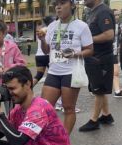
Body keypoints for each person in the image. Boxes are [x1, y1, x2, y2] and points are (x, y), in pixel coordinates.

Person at [40, 0, 93, 134]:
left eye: (62, 3)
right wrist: (41, 40)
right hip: (53, 71)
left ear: (72, 6)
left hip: (71, 72)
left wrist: (75, 54)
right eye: (56, 4)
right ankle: (48, 137)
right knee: (44, 108)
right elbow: (46, 50)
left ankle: (63, 142)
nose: (58, 6)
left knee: (68, 108)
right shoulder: (52, 26)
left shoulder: (81, 26)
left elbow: (90, 50)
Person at [79, 0, 115, 132]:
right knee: (99, 88)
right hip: (94, 57)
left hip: (101, 58)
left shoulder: (103, 11)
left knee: (99, 90)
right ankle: (106, 115)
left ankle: (94, 121)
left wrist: (87, 40)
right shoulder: (93, 12)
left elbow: (109, 35)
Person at [112, 9, 122, 98]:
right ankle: (94, 88)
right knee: (102, 72)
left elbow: (119, 38)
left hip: (114, 52)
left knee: (116, 72)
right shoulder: (107, 25)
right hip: (104, 52)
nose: (117, 17)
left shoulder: (119, 25)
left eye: (118, 15)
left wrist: (119, 46)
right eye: (115, 15)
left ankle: (117, 91)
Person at [34, 16, 54, 86]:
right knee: (54, 73)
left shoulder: (41, 30)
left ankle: (29, 87)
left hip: (39, 55)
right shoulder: (51, 29)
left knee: (39, 75)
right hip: (47, 55)